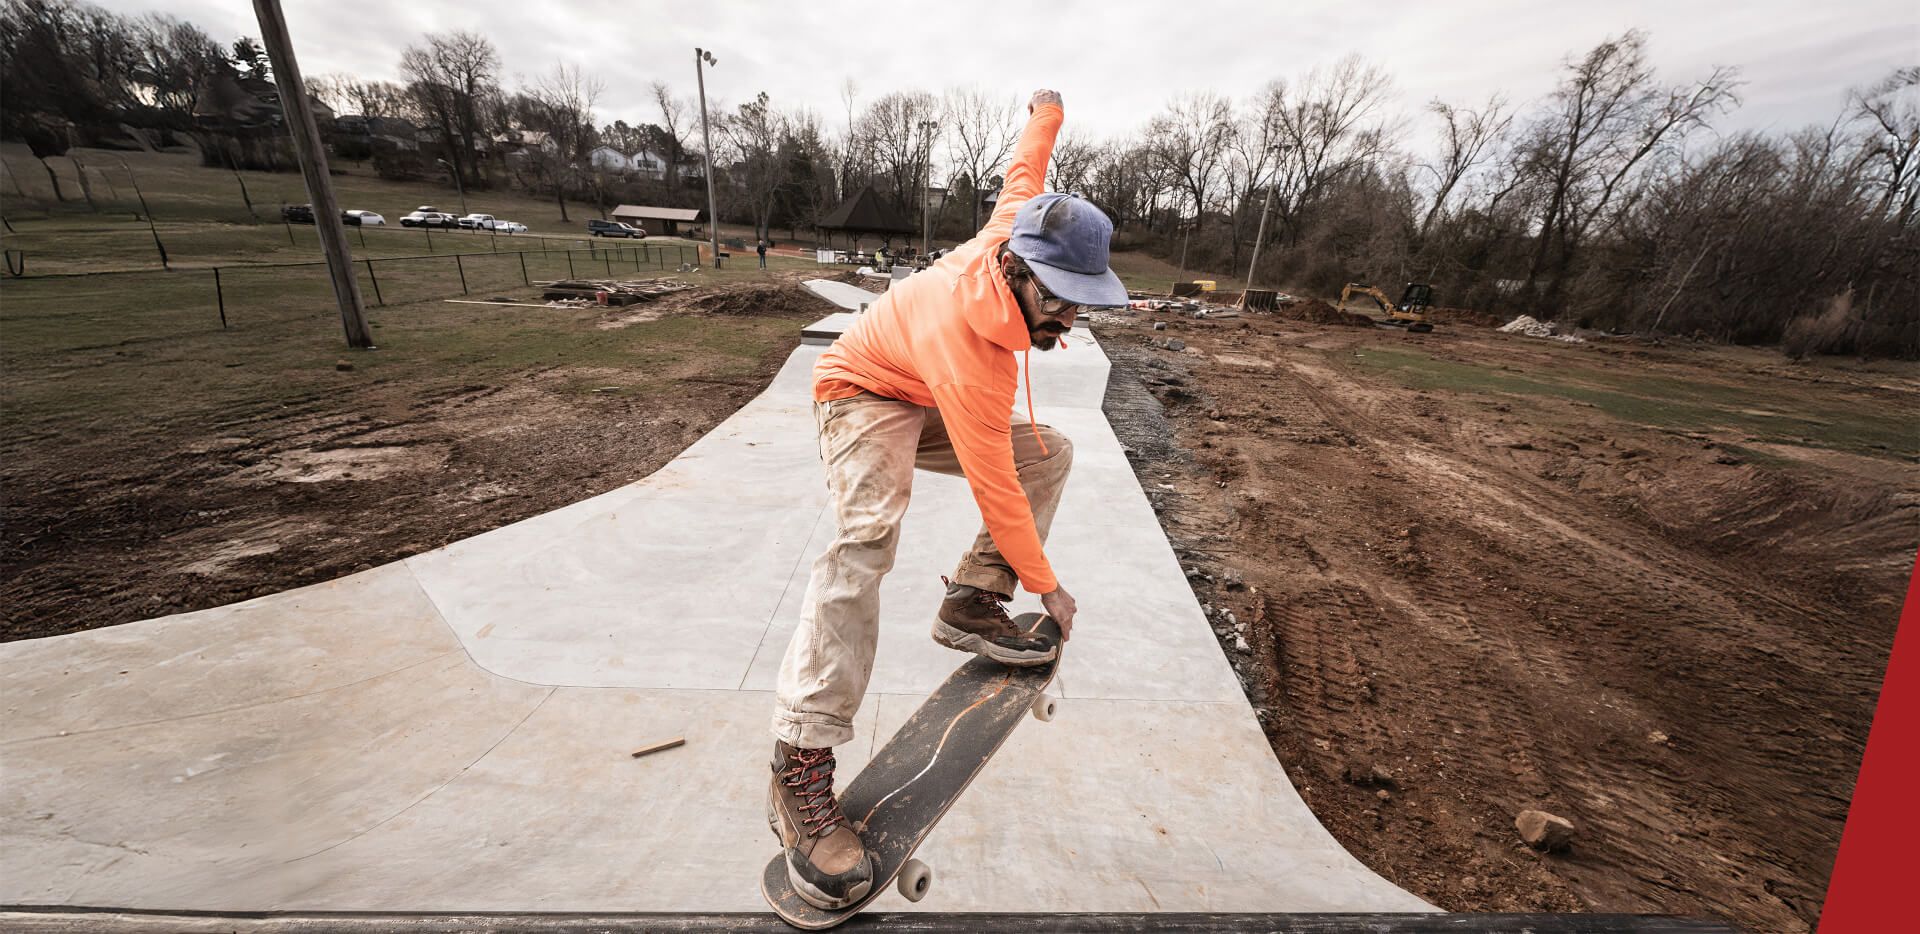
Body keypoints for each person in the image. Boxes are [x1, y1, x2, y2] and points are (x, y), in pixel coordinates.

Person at [765, 88, 1129, 910]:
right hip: (862, 389)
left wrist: (1048, 111)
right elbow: (995, 486)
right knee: (866, 537)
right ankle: (801, 759)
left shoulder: (1016, 228)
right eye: (1057, 297)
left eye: (1081, 296)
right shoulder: (974, 352)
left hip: (918, 387)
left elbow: (1024, 171)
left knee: (1052, 451)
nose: (1067, 317)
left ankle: (971, 599)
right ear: (1014, 269)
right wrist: (1050, 588)